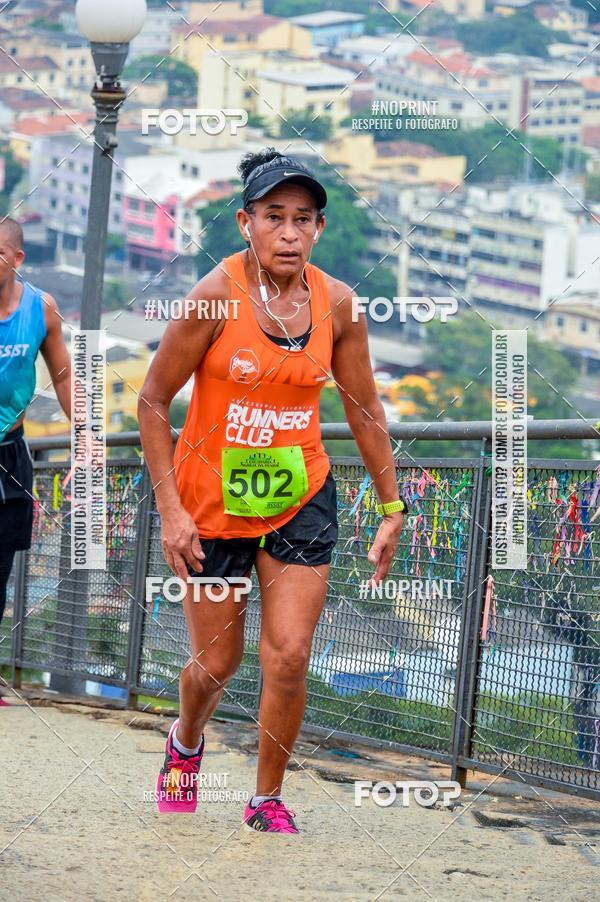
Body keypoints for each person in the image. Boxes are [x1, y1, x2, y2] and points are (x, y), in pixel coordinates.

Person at [138, 148, 408, 832]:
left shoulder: (339, 304)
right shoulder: (213, 297)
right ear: (245, 223)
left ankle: (265, 798)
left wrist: (391, 504)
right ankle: (187, 741)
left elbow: (364, 409)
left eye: (303, 220)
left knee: (288, 655)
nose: (289, 233)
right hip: (211, 501)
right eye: (274, 218)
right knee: (217, 663)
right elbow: (151, 400)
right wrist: (171, 512)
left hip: (300, 494)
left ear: (319, 229)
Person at [0, 217, 71, 705]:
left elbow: (65, 376)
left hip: (10, 450)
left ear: (16, 259)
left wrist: (87, 437)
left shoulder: (41, 309)